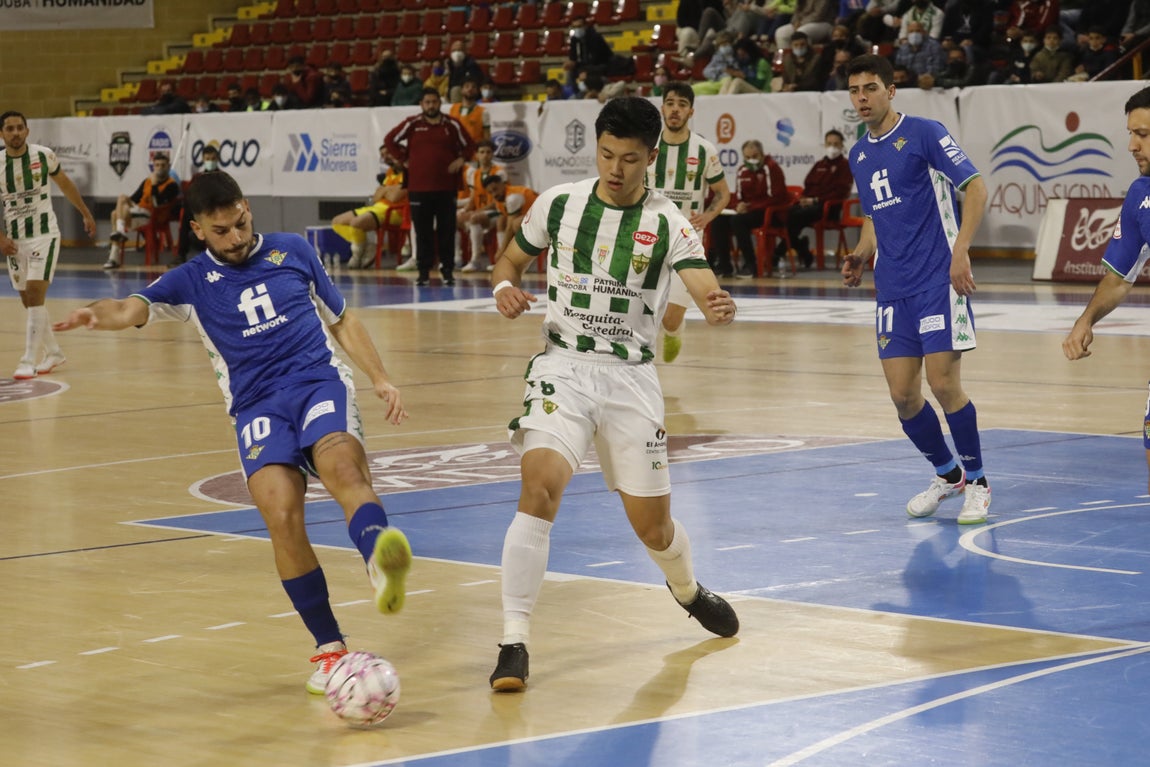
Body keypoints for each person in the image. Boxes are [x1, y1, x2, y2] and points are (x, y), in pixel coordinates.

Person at [52, 170, 414, 694]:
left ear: (247, 208)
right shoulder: (190, 280)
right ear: (199, 229)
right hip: (256, 406)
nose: (236, 237)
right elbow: (129, 308)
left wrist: (379, 377)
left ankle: (380, 557)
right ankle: (330, 648)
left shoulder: (292, 250)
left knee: (341, 466)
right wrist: (94, 315)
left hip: (317, 383)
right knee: (280, 513)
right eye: (221, 231)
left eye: (240, 223)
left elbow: (341, 319)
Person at [486, 97, 740, 693]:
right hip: (563, 367)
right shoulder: (559, 204)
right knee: (538, 488)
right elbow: (509, 260)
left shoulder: (668, 222)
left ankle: (686, 590)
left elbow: (702, 282)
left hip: (630, 380)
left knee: (653, 529)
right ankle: (513, 640)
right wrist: (502, 287)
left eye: (628, 159)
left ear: (650, 158)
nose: (615, 169)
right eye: (605, 155)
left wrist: (716, 304)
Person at [840, 53, 991, 524]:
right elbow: (873, 217)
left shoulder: (925, 132)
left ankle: (978, 482)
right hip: (892, 288)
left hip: (936, 280)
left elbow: (976, 186)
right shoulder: (858, 154)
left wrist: (961, 250)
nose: (862, 98)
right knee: (903, 396)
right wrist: (861, 254)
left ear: (890, 90)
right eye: (854, 91)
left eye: (870, 88)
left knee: (944, 384)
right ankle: (948, 475)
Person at [1064, 86, 1150, 492]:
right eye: (1130, 134)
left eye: (1143, 135)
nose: (1132, 146)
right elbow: (1118, 277)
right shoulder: (1140, 195)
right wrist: (1086, 319)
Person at [0, 110, 96, 380]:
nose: (16, 132)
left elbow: (65, 184)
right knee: (28, 300)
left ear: (27, 131)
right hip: (14, 239)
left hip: (44, 234)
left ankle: (27, 360)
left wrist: (85, 213)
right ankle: (53, 352)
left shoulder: (43, 156)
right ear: (2, 134)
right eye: (10, 128)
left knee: (34, 292)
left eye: (20, 127)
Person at [645, 82, 731, 363]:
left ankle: (674, 330)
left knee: (670, 319)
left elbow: (723, 193)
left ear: (691, 112)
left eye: (682, 105)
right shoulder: (648, 146)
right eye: (670, 103)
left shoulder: (704, 149)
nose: (675, 109)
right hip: (647, 237)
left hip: (687, 239)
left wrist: (708, 215)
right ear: (662, 108)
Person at [385, 87, 476, 286]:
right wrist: (403, 159)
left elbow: (470, 145)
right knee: (422, 232)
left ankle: (447, 270)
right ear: (421, 104)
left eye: (434, 102)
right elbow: (389, 140)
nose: (431, 106)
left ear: (440, 103)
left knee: (447, 231)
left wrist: (461, 159)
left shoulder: (452, 124)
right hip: (418, 188)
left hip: (446, 187)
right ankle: (423, 272)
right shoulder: (412, 123)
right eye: (427, 102)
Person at [709, 139, 789, 278]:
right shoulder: (742, 171)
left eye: (755, 156)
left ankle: (751, 264)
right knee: (718, 219)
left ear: (762, 154)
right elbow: (739, 197)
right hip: (750, 212)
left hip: (771, 213)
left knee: (737, 221)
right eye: (747, 157)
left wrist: (750, 207)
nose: (751, 160)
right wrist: (738, 205)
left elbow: (777, 197)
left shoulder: (772, 168)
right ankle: (724, 265)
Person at [786, 129, 854, 269]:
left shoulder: (845, 166)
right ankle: (801, 248)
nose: (832, 147)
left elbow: (841, 193)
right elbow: (807, 185)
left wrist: (816, 200)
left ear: (842, 145)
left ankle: (782, 252)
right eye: (829, 143)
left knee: (795, 216)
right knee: (786, 213)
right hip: (809, 206)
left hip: (829, 208)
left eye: (836, 144)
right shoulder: (819, 165)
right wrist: (804, 199)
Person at [332, 145, 408, 270]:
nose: (385, 158)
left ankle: (357, 253)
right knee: (338, 222)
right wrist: (388, 190)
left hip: (395, 212)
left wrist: (384, 190)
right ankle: (368, 247)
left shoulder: (408, 172)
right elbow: (376, 197)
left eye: (387, 153)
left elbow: (395, 197)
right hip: (377, 207)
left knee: (356, 223)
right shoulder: (389, 173)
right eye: (382, 155)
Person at [105, 152, 181, 269]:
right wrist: (127, 204)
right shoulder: (147, 181)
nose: (160, 168)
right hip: (138, 211)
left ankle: (114, 257)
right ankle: (120, 232)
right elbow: (134, 199)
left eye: (163, 165)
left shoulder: (172, 185)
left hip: (152, 215)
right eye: (157, 165)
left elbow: (157, 204)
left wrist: (154, 185)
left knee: (115, 214)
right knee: (121, 199)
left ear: (168, 166)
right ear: (153, 166)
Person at [175, 143, 221, 265]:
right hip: (199, 211)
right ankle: (181, 255)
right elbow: (190, 195)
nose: (210, 161)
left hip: (216, 211)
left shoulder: (222, 177)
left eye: (213, 159)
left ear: (217, 159)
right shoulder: (197, 177)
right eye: (207, 159)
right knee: (186, 214)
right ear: (203, 159)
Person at [449, 77, 491, 145]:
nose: (470, 89)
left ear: (477, 91)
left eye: (473, 87)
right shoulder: (453, 108)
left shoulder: (483, 112)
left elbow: (487, 138)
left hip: (475, 149)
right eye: (467, 86)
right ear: (461, 90)